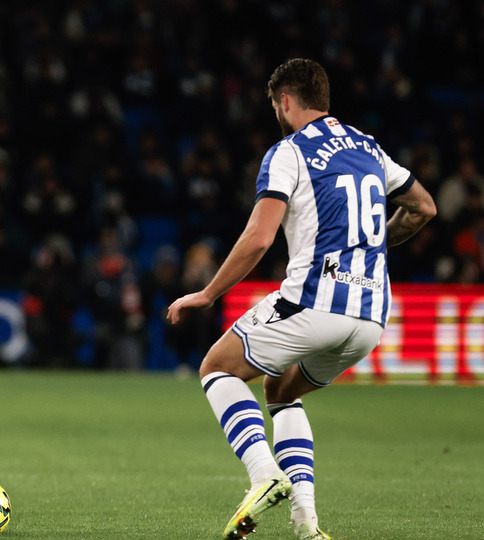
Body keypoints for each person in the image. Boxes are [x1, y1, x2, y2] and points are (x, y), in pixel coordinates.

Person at [166, 59, 436, 540]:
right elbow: (424, 207)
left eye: (275, 105)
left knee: (217, 367)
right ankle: (306, 524)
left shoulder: (289, 151)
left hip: (315, 302)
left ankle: (263, 475)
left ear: (285, 100)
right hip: (371, 317)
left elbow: (258, 237)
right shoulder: (370, 148)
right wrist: (370, 248)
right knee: (281, 392)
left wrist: (209, 293)